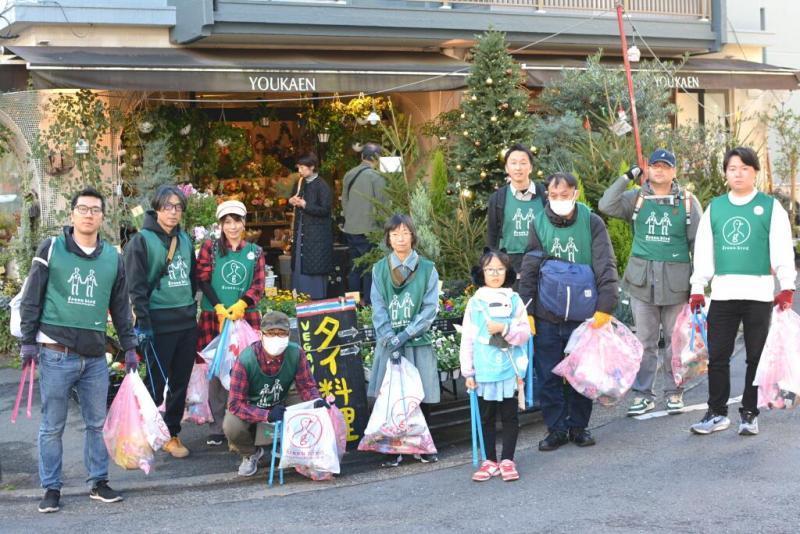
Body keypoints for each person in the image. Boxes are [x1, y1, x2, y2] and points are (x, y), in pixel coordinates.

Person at [19, 187, 137, 513]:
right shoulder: (52, 249)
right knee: (52, 426)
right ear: (72, 214)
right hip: (56, 353)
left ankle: (98, 482)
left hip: (96, 358)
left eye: (95, 210)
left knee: (97, 424)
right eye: (83, 209)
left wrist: (129, 346)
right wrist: (28, 340)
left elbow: (120, 307)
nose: (89, 215)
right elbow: (32, 297)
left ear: (102, 217)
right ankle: (51, 488)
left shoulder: (113, 258)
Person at [688, 147, 795, 436]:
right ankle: (716, 413)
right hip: (723, 293)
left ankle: (749, 413)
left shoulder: (770, 207)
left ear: (755, 172)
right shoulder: (716, 207)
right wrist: (697, 287)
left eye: (744, 168)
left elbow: (782, 249)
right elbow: (704, 251)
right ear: (726, 173)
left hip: (758, 294)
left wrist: (787, 286)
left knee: (756, 357)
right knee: (718, 356)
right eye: (732, 168)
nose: (738, 174)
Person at [519, 172, 619, 451]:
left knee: (582, 373)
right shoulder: (538, 223)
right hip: (547, 313)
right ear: (547, 195)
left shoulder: (592, 222)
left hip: (583, 315)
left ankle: (578, 427)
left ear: (575, 194)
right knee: (548, 374)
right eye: (554, 195)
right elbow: (529, 267)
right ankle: (556, 429)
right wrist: (527, 309)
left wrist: (605, 308)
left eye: (565, 195)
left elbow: (605, 264)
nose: (559, 200)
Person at [598, 149, 702, 416]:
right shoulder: (636, 198)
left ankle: (674, 391)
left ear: (674, 171)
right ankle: (643, 395)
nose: (660, 170)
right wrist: (627, 177)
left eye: (665, 166)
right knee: (644, 342)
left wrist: (698, 285)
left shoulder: (688, 202)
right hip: (642, 282)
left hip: (676, 283)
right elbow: (606, 205)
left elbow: (699, 245)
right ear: (648, 168)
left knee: (675, 342)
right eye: (655, 165)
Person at [124, 185, 197, 458]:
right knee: (154, 384)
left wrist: (191, 308)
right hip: (158, 323)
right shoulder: (140, 241)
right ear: (156, 208)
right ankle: (139, 433)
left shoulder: (185, 240)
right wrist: (143, 324)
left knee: (180, 383)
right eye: (167, 206)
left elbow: (191, 278)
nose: (173, 212)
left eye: (178, 207)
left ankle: (171, 434)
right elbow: (136, 287)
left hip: (186, 322)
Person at [368, 214, 441, 467]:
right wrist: (389, 336)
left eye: (405, 233)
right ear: (388, 238)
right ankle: (394, 447)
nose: (400, 238)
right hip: (389, 343)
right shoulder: (379, 269)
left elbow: (430, 308)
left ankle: (423, 446)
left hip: (417, 341)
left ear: (413, 236)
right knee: (390, 395)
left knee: (420, 394)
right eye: (395, 234)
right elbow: (378, 306)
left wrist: (406, 334)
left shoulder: (428, 269)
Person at [196, 200, 266, 447]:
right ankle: (217, 426)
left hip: (244, 319)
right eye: (227, 222)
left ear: (244, 223)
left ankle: (245, 422)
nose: (233, 227)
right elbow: (202, 278)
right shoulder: (210, 248)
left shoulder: (255, 252)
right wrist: (218, 306)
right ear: (221, 225)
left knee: (245, 369)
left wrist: (242, 304)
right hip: (214, 317)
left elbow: (258, 285)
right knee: (216, 370)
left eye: (237, 221)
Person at [224, 312, 325, 477]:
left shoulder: (296, 353)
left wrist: (316, 401)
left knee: (311, 410)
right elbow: (235, 404)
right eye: (271, 333)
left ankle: (300, 451)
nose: (276, 338)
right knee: (232, 425)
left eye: (281, 333)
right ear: (261, 335)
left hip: (282, 397)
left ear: (288, 335)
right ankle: (250, 453)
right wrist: (266, 415)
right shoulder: (245, 360)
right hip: (252, 404)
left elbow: (306, 386)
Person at [460, 249, 531, 482]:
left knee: (510, 416)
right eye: (490, 269)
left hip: (509, 369)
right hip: (484, 369)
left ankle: (508, 459)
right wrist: (468, 372)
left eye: (500, 269)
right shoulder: (475, 302)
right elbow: (467, 339)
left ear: (507, 272)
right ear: (481, 272)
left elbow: (525, 333)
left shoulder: (515, 300)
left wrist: (504, 328)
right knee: (486, 417)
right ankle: (489, 460)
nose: (495, 273)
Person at [486, 144, 547, 276]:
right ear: (506, 168)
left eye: (523, 163)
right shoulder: (498, 198)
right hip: (509, 264)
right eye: (513, 163)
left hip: (540, 263)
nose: (518, 168)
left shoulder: (544, 195)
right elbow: (492, 233)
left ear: (530, 167)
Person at [341, 142, 386, 304]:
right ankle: (368, 302)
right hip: (370, 229)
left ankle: (353, 302)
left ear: (362, 156)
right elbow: (382, 205)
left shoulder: (349, 174)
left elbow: (344, 201)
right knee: (369, 268)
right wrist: (386, 227)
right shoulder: (376, 176)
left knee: (354, 267)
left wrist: (350, 219)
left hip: (350, 228)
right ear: (378, 159)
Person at [289, 152, 333, 300]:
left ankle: (316, 298)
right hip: (301, 230)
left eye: (302, 167)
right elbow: (294, 198)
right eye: (299, 167)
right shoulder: (300, 183)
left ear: (312, 167)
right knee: (299, 263)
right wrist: (292, 201)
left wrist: (305, 205)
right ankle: (299, 297)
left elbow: (325, 210)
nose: (299, 170)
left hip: (317, 235)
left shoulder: (322, 185)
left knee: (314, 265)